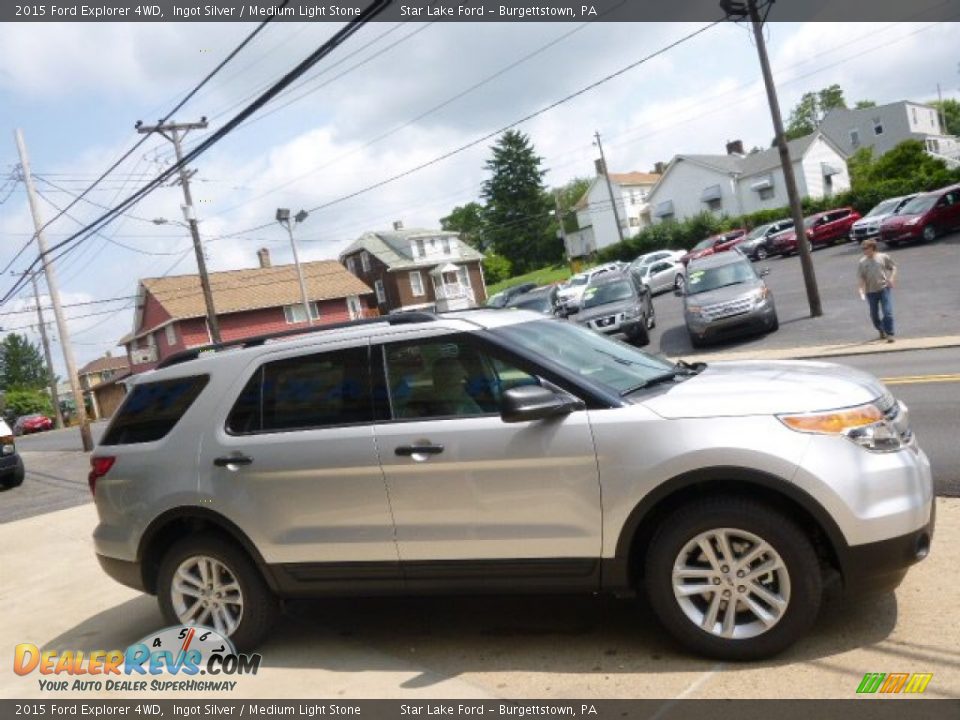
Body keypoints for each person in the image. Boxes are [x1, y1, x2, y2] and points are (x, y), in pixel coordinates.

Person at [856, 239, 897, 342]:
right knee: (874, 315)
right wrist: (860, 289)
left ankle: (890, 334)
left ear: (872, 248)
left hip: (884, 289)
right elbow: (861, 277)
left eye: (865, 248)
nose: (864, 250)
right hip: (871, 292)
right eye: (863, 249)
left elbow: (893, 267)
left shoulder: (883, 257)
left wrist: (891, 278)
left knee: (887, 312)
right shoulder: (862, 262)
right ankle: (881, 329)